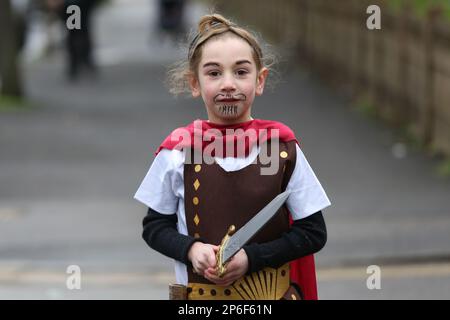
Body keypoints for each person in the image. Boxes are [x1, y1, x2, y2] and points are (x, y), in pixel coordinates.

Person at [134, 13, 331, 300]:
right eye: (214, 73)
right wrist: (190, 249)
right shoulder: (178, 151)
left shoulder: (280, 148)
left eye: (241, 72)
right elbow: (155, 228)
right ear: (194, 83)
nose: (228, 84)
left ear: (260, 80)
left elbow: (312, 232)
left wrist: (252, 258)